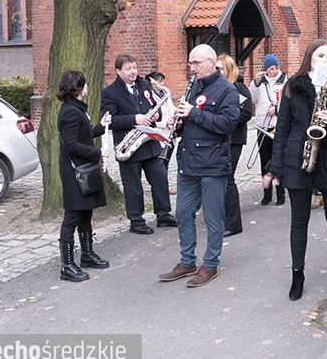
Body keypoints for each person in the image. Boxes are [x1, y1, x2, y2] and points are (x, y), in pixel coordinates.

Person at [266, 39, 327, 305]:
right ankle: (298, 275)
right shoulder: (293, 85)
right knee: (299, 222)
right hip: (299, 158)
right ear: (309, 58)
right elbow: (282, 129)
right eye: (320, 56)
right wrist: (276, 166)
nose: (325, 60)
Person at [159, 44, 239, 288]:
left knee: (213, 218)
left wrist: (193, 113)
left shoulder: (227, 90)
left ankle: (211, 264)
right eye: (190, 63)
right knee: (183, 213)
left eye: (196, 63)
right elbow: (191, 121)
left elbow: (228, 124)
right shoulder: (193, 86)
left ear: (211, 62)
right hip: (189, 162)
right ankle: (187, 261)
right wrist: (178, 123)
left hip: (213, 163)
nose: (191, 68)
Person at [101, 54, 177, 234]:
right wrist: (134, 119)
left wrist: (157, 115)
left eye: (134, 67)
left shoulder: (144, 85)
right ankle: (136, 221)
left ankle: (163, 214)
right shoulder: (109, 93)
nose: (133, 72)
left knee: (160, 178)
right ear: (118, 71)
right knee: (133, 187)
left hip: (150, 143)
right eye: (128, 69)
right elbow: (110, 120)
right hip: (129, 145)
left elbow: (154, 105)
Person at [56, 70, 111, 282]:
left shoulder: (76, 108)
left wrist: (101, 127)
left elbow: (84, 134)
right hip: (74, 172)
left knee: (86, 213)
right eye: (85, 84)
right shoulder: (70, 111)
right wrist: (98, 152)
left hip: (83, 169)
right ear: (79, 88)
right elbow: (71, 145)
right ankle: (67, 265)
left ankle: (87, 254)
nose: (87, 87)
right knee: (72, 217)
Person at [217, 54, 253, 237]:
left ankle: (234, 223)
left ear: (229, 69)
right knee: (220, 177)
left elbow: (246, 113)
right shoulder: (216, 88)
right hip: (218, 138)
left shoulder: (239, 88)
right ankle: (223, 217)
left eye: (220, 68)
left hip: (234, 139)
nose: (217, 71)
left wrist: (225, 118)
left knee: (227, 178)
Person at [250, 54, 287, 205]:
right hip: (263, 126)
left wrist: (277, 110)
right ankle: (267, 193)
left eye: (276, 68)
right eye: (271, 69)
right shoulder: (260, 82)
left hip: (278, 126)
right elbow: (252, 99)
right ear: (266, 70)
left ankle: (281, 193)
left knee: (278, 160)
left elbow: (288, 102)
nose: (274, 71)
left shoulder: (285, 81)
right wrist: (255, 84)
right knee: (264, 160)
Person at [144, 71, 177, 194]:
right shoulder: (149, 96)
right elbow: (151, 116)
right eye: (159, 81)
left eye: (163, 80)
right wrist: (164, 122)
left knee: (166, 161)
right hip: (159, 134)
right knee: (160, 164)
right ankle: (161, 187)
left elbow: (171, 109)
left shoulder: (165, 94)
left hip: (169, 134)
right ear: (152, 83)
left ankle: (164, 185)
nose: (163, 83)